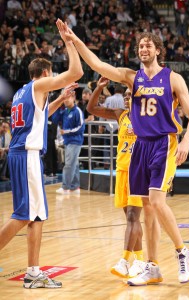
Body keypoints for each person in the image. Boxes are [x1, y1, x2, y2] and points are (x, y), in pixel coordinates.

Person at [65, 29, 189, 285]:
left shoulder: (173, 79)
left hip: (164, 143)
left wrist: (185, 141)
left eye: (148, 46)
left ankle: (183, 253)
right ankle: (153, 267)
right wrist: (75, 40)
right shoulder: (131, 77)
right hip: (140, 145)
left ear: (158, 50)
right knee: (147, 207)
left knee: (158, 202)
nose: (143, 50)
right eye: (140, 46)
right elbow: (97, 63)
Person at [0, 19, 83, 289]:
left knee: (36, 216)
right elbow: (76, 72)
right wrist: (69, 41)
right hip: (27, 156)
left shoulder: (23, 92)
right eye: (51, 76)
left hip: (21, 155)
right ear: (45, 73)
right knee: (24, 215)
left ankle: (34, 272)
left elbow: (38, 117)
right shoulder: (37, 87)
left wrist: (58, 99)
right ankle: (33, 272)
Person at [87, 77, 161, 281]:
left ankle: (124, 260)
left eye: (130, 95)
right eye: (125, 96)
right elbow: (92, 108)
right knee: (131, 219)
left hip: (139, 172)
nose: (127, 99)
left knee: (132, 217)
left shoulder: (149, 118)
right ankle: (138, 261)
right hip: (121, 171)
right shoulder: (121, 115)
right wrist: (100, 88)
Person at [53, 84, 85, 195]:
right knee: (74, 164)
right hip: (67, 141)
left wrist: (66, 132)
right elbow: (55, 119)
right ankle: (75, 187)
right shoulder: (64, 111)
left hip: (75, 141)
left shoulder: (78, 111)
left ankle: (65, 187)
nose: (66, 100)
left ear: (74, 97)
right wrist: (59, 105)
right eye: (64, 98)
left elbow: (81, 127)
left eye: (68, 98)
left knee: (69, 164)